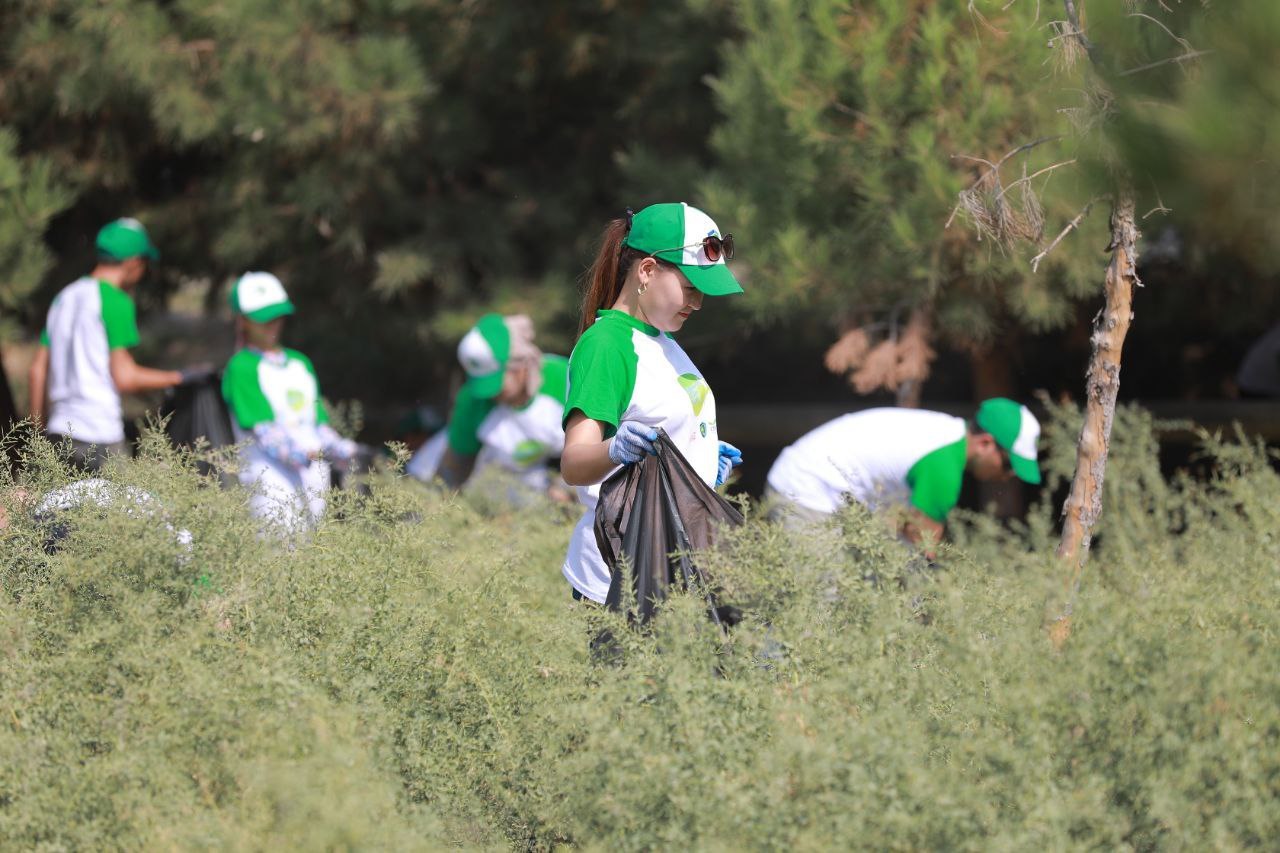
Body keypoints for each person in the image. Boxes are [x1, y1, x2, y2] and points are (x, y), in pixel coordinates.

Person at [559, 202, 745, 604]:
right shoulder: (607, 345)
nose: (697, 303)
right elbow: (574, 464)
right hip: (619, 577)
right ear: (646, 270)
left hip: (673, 565)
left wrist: (703, 466)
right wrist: (616, 448)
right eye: (691, 287)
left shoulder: (663, 342)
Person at [764, 398, 1042, 548]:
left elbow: (899, 527)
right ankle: (764, 657)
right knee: (816, 606)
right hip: (807, 486)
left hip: (818, 486)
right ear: (985, 444)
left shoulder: (944, 434)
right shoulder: (944, 466)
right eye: (1008, 466)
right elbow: (922, 545)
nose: (1008, 477)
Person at [28, 218, 191, 470]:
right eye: (144, 263)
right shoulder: (115, 300)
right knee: (120, 509)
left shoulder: (64, 298)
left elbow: (37, 371)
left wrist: (38, 437)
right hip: (99, 435)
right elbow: (125, 377)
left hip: (59, 431)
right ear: (134, 262)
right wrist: (179, 377)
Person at [220, 272, 355, 532]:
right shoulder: (242, 367)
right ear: (242, 321)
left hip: (315, 477)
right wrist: (305, 454)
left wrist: (346, 451)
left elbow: (319, 425)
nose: (272, 324)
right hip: (270, 479)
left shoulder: (300, 362)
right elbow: (263, 431)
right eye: (263, 317)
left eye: (276, 316)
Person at [415, 313, 570, 500]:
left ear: (519, 364)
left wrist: (564, 486)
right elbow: (453, 469)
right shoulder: (473, 400)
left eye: (495, 383)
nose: (490, 394)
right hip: (510, 488)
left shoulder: (562, 379)